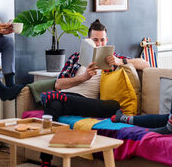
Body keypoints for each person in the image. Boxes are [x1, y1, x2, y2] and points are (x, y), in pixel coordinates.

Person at [40, 19, 149, 166]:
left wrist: (119, 62)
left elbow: (145, 64)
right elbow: (59, 84)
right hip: (69, 96)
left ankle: (45, 159)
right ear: (88, 41)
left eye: (102, 40)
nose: (99, 44)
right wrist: (83, 77)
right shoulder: (76, 58)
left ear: (107, 40)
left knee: (113, 106)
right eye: (95, 40)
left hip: (92, 104)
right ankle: (46, 161)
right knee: (54, 106)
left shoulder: (113, 59)